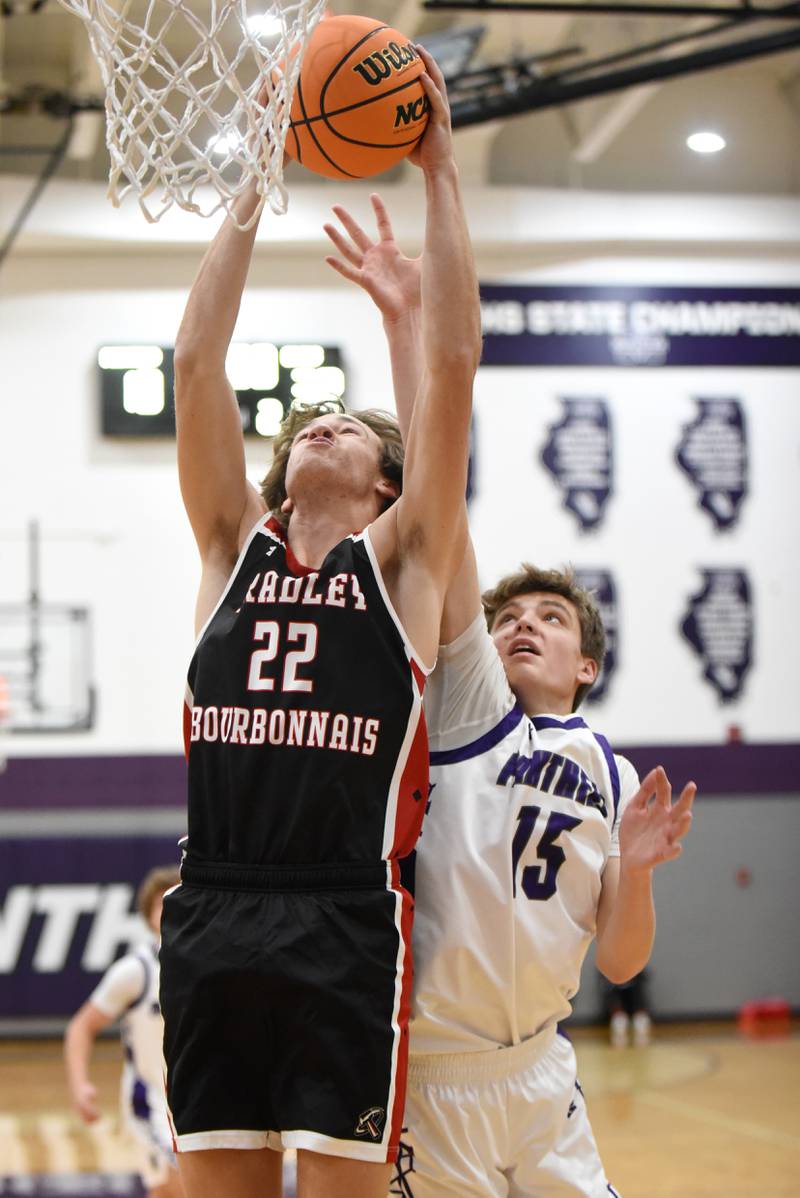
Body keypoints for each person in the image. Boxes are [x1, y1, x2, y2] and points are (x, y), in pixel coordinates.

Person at [159, 46, 482, 1198]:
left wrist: (439, 173)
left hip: (346, 920)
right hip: (212, 904)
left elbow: (448, 362)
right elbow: (196, 357)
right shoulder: (225, 544)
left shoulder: (402, 564)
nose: (325, 421)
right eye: (311, 418)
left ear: (386, 485)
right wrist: (255, 172)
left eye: (351, 421)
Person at [324, 206, 696, 1198]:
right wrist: (406, 330)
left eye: (551, 618)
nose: (523, 624)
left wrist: (641, 870)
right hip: (435, 1079)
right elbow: (438, 499)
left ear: (586, 665)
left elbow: (617, 961)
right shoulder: (465, 709)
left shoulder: (607, 772)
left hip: (540, 1071)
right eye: (506, 616)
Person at [64, 865, 183, 1198]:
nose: (174, 910)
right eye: (164, 905)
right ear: (147, 917)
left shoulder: (208, 965)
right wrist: (79, 1085)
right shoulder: (136, 970)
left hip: (195, 1100)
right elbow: (81, 1026)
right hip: (151, 1104)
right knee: (179, 1187)